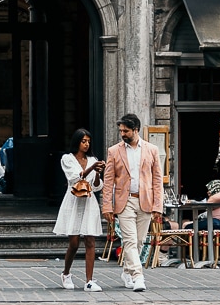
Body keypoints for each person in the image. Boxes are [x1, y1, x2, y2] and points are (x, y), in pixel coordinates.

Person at [101, 113, 163, 292]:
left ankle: (127, 271)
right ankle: (138, 276)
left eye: (126, 130)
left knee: (139, 241)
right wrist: (107, 206)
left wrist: (158, 206)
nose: (122, 134)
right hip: (124, 201)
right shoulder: (114, 151)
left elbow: (157, 180)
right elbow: (108, 181)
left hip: (145, 201)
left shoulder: (151, 149)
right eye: (120, 130)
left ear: (136, 130)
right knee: (129, 240)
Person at [53, 129, 106, 292]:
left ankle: (89, 280)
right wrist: (91, 168)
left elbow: (97, 187)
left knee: (90, 241)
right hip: (73, 201)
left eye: (88, 141)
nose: (86, 144)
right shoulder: (67, 159)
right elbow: (74, 178)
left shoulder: (92, 159)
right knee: (74, 243)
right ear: (77, 142)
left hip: (89, 201)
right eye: (83, 141)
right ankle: (66, 273)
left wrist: (97, 173)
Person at [182, 165, 220, 231]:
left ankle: (193, 241)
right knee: (189, 224)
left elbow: (211, 201)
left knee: (187, 227)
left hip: (219, 223)